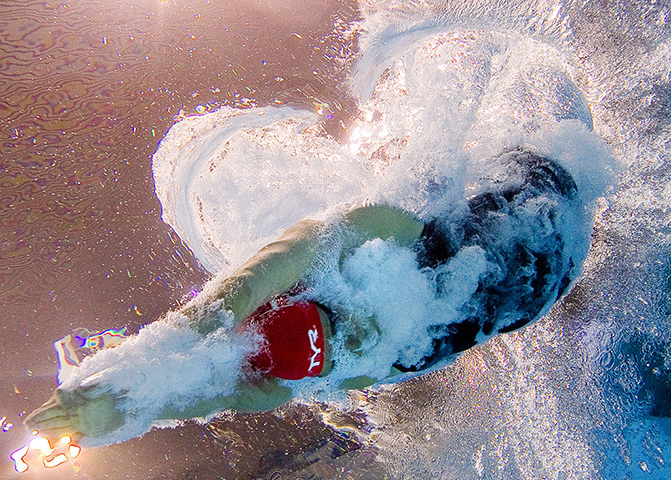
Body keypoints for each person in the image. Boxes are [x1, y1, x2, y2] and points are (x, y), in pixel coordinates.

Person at [24, 148, 580, 444]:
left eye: (337, 324)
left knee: (532, 196)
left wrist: (126, 371)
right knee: (521, 283)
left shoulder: (372, 241)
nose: (353, 336)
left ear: (319, 296)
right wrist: (120, 412)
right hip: (513, 298)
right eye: (336, 346)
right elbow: (202, 395)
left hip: (515, 224)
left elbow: (238, 294)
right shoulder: (306, 378)